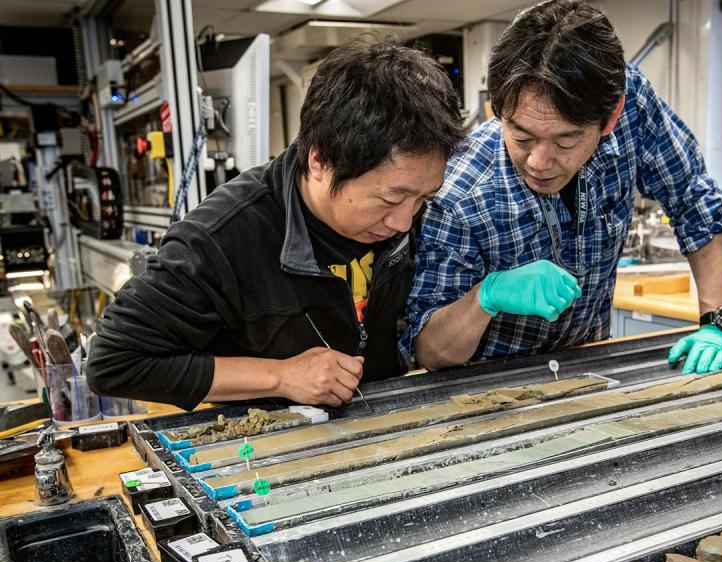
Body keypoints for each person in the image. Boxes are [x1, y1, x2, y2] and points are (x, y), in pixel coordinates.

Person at [87, 39, 464, 410]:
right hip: (265, 446)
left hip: (378, 423)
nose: (403, 222)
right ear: (320, 161)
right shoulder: (222, 237)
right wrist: (282, 376)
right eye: (390, 199)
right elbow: (113, 362)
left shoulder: (410, 211)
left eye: (422, 198)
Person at [402, 0, 722, 376]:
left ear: (610, 117)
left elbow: (694, 198)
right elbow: (430, 350)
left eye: (566, 142)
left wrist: (718, 321)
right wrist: (486, 296)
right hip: (488, 388)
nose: (539, 162)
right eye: (522, 136)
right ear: (497, 109)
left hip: (590, 368)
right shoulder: (461, 193)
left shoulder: (632, 105)